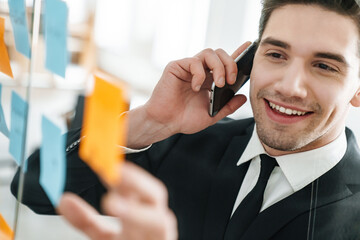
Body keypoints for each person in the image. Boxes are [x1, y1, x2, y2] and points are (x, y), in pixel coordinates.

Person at [11, 0, 360, 239]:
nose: (289, 86)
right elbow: (33, 185)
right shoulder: (187, 142)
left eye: (324, 66)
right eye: (276, 54)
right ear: (250, 60)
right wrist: (148, 121)